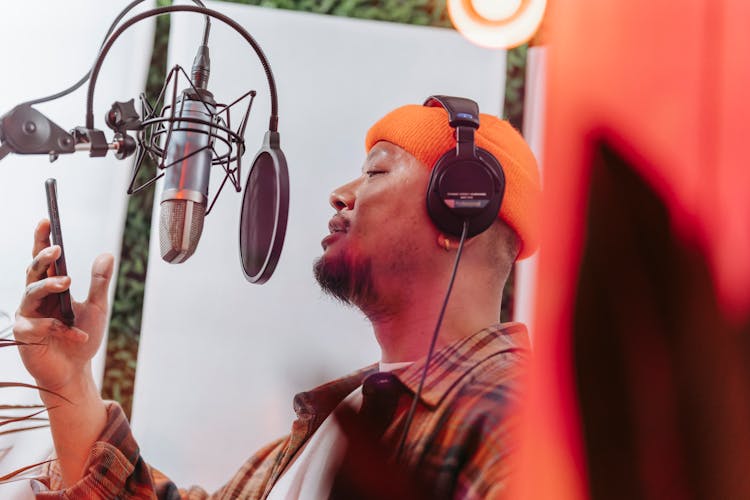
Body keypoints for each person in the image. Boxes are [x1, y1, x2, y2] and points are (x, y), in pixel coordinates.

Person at [15, 97, 541, 499]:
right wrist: (68, 381)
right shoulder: (344, 415)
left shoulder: (518, 422)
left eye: (377, 170)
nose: (340, 191)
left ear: (460, 207)